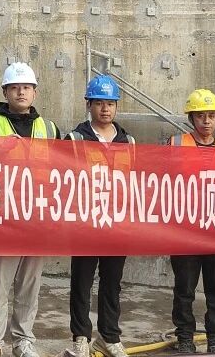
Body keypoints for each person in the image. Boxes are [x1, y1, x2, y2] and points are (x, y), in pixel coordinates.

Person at [0, 62, 61, 357]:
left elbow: (62, 172)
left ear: (35, 92)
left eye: (26, 87)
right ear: (5, 92)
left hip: (37, 218)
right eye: (15, 87)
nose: (21, 92)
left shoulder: (49, 128)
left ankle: (23, 340)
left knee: (29, 285)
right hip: (4, 218)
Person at [64, 75, 133, 357]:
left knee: (112, 282)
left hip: (117, 223)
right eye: (99, 103)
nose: (105, 109)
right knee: (82, 282)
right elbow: (63, 179)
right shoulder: (75, 139)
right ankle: (80, 337)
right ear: (89, 105)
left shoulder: (128, 140)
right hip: (86, 222)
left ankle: (109, 336)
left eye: (110, 103)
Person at [168, 89, 215, 354]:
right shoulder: (176, 144)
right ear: (191, 118)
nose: (206, 121)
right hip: (186, 230)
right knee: (184, 289)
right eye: (200, 116)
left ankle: (214, 339)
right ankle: (185, 337)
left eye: (211, 116)